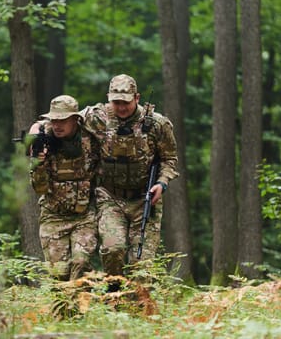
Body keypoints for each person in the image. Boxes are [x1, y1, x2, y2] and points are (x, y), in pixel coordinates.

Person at [81, 74, 179, 276]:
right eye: (116, 102)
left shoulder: (156, 124)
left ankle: (138, 304)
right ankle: (114, 297)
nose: (121, 107)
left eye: (125, 102)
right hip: (110, 197)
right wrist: (39, 127)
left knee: (141, 263)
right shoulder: (98, 117)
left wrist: (162, 183)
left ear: (137, 98)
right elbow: (66, 119)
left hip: (145, 199)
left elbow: (170, 159)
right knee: (112, 249)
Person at [29, 95, 100, 281]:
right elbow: (40, 188)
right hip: (54, 216)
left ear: (75, 119)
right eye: (54, 120)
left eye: (62, 120)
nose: (57, 125)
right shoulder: (43, 140)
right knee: (59, 275)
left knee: (81, 264)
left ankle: (84, 308)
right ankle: (64, 310)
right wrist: (38, 163)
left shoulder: (90, 136)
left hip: (84, 216)